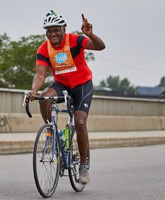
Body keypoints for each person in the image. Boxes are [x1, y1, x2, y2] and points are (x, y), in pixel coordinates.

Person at [28, 10, 105, 184]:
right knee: (44, 97)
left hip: (82, 85)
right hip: (62, 84)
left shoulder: (75, 40)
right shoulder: (43, 48)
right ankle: (52, 133)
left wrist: (90, 34)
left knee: (79, 122)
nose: (52, 34)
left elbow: (100, 47)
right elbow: (40, 75)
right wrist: (33, 91)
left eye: (56, 30)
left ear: (64, 29)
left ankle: (83, 166)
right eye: (49, 31)